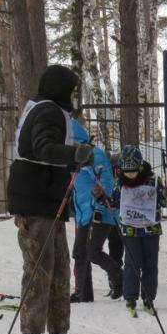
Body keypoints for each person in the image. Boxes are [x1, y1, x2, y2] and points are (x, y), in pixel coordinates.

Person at [7, 64, 93, 334]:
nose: (73, 95)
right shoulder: (48, 111)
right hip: (35, 200)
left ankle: (58, 329)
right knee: (40, 267)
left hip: (49, 200)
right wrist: (74, 153)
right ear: (60, 89)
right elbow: (42, 148)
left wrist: (74, 159)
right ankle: (32, 331)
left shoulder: (51, 111)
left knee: (58, 267)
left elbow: (43, 153)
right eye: (70, 90)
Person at [70, 117, 123, 302]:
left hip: (100, 210)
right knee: (79, 252)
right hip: (83, 212)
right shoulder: (72, 157)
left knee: (93, 252)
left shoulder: (94, 154)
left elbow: (107, 181)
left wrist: (101, 196)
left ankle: (120, 278)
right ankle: (83, 293)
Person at [113, 146, 164, 317]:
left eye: (133, 171)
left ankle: (149, 298)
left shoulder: (153, 180)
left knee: (151, 264)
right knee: (132, 263)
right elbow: (113, 201)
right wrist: (100, 197)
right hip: (130, 229)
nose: (130, 175)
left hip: (151, 229)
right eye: (127, 171)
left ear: (140, 166)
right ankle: (130, 297)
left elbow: (164, 201)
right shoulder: (120, 182)